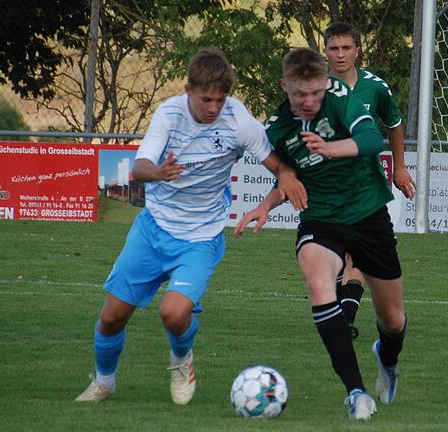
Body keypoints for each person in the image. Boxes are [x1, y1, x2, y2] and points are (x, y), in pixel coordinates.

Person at [75, 48, 306, 404]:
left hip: (201, 238)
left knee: (173, 313)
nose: (213, 107)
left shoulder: (238, 119)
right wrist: (159, 172)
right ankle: (105, 382)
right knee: (111, 318)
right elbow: (139, 169)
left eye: (220, 99)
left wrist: (287, 176)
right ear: (188, 90)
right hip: (153, 230)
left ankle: (182, 359)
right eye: (206, 99)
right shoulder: (169, 114)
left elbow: (276, 163)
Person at [235, 47, 408, 420]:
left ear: (324, 84)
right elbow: (289, 178)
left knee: (393, 320)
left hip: (368, 214)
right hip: (321, 220)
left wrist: (330, 149)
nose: (310, 101)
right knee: (318, 283)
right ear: (285, 87)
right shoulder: (278, 127)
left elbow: (371, 140)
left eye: (315, 92)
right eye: (300, 94)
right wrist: (266, 205)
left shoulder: (342, 99)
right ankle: (357, 393)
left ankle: (387, 359)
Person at [323, 22, 416, 339]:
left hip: (365, 187)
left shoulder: (375, 87)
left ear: (357, 50)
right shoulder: (315, 88)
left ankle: (344, 317)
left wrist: (400, 168)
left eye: (346, 47)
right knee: (333, 258)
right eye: (334, 48)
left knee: (354, 255)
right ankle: (341, 310)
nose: (340, 54)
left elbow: (395, 124)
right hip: (327, 186)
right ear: (325, 52)